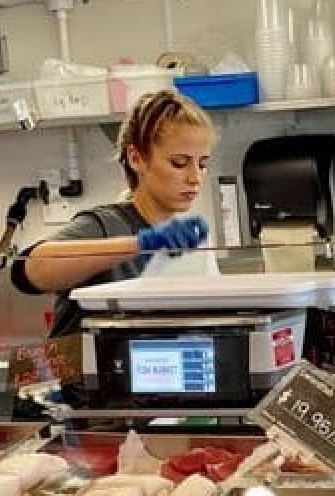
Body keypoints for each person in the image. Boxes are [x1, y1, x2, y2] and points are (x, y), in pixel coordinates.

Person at [12, 91, 214, 338]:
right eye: (179, 163)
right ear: (136, 158)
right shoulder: (106, 225)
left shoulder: (188, 238)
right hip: (90, 363)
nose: (195, 177)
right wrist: (143, 244)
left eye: (202, 164)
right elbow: (30, 269)